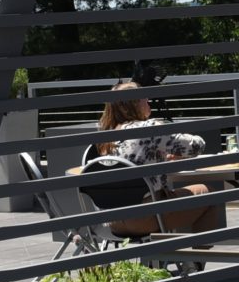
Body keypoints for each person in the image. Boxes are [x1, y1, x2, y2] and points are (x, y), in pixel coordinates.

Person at [91, 81, 226, 237]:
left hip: (112, 221)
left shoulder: (106, 136)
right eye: (144, 98)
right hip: (146, 217)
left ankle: (176, 255)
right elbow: (196, 145)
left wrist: (160, 155)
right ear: (133, 104)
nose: (148, 99)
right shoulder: (148, 128)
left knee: (174, 198)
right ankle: (196, 259)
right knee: (208, 194)